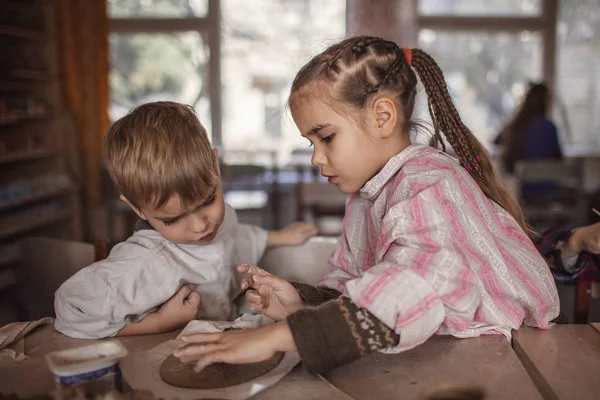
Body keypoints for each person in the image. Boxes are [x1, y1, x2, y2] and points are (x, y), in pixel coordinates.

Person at [173, 36, 560, 374]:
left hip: (514, 358)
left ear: (383, 116)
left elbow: (413, 289)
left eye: (326, 138)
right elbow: (358, 287)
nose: (316, 158)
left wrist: (281, 336)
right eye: (312, 143)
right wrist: (299, 304)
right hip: (453, 353)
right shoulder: (367, 196)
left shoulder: (429, 185)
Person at [54, 102, 317, 339]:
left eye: (207, 202)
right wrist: (159, 322)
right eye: (173, 219)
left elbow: (235, 234)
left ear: (215, 166)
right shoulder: (144, 263)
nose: (200, 226)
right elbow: (70, 308)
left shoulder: (218, 222)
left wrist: (279, 237)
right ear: (138, 208)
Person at [494, 82, 563, 202]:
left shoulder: (514, 126)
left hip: (520, 190)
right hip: (545, 187)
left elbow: (495, 141)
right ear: (545, 101)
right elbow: (558, 158)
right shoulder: (549, 127)